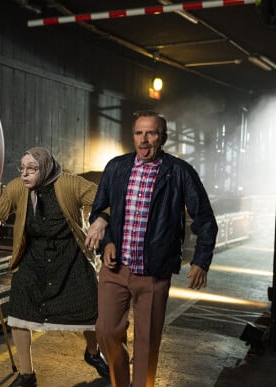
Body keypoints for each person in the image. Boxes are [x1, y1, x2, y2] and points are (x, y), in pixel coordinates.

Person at [85, 111, 218, 387]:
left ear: (163, 138)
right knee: (106, 331)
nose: (144, 140)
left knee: (147, 342)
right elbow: (100, 209)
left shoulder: (179, 172)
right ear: (132, 136)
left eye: (151, 133)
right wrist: (108, 240)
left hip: (154, 272)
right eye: (138, 133)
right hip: (115, 268)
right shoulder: (116, 168)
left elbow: (205, 218)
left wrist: (201, 261)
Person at [0, 147, 110, 386]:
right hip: (32, 256)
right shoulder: (18, 187)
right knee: (19, 313)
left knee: (91, 310)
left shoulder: (70, 184)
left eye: (31, 169)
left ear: (45, 168)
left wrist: (100, 219)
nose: (24, 174)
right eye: (22, 169)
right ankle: (27, 374)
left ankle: (92, 352)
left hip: (70, 256)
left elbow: (106, 198)